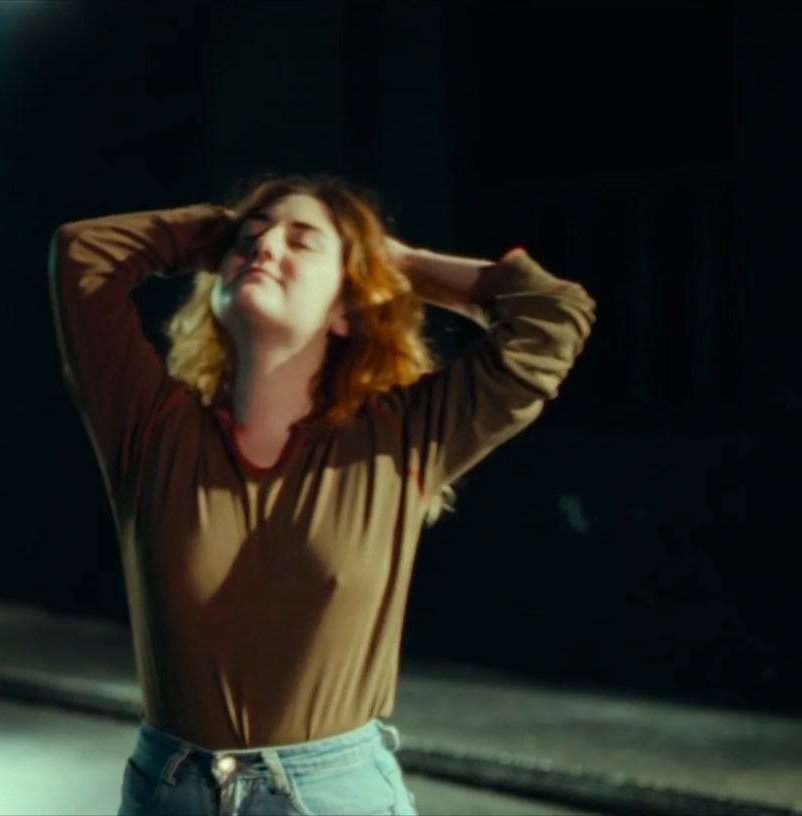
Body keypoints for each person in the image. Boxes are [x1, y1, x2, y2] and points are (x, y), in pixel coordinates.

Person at [49, 175, 595, 816]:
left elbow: (552, 316)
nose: (265, 247)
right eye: (248, 240)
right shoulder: (151, 430)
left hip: (332, 796)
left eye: (302, 242)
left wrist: (397, 262)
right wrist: (225, 231)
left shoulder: (400, 437)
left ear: (345, 310)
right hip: (170, 791)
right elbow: (83, 253)